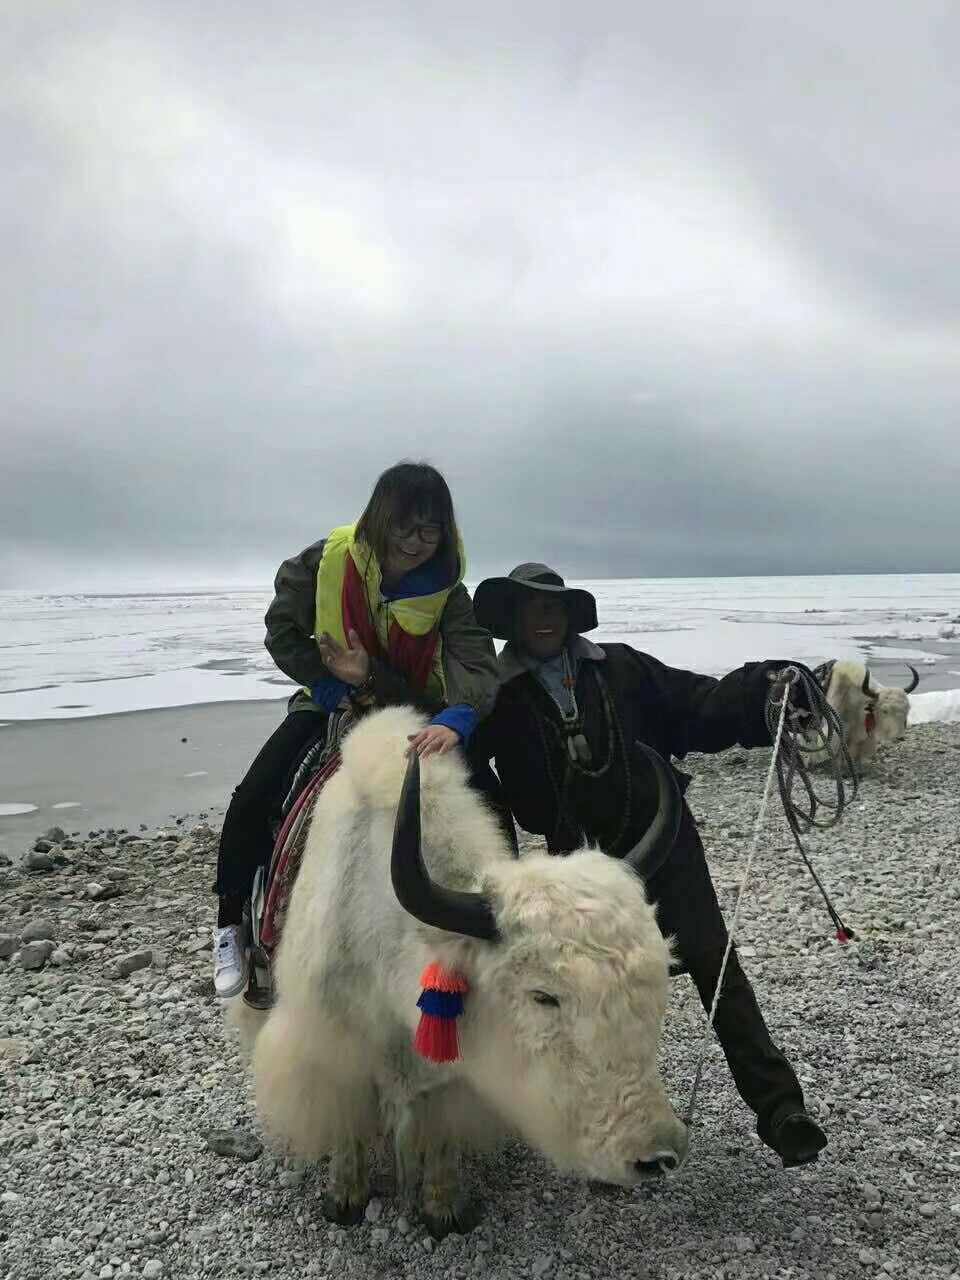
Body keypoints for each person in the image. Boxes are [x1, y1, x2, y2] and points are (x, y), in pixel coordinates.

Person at [471, 562, 828, 1170]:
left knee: (716, 965)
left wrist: (763, 693)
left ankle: (780, 1109)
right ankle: (613, 1130)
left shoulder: (623, 668)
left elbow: (696, 706)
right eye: (532, 607)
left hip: (664, 849)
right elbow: (476, 784)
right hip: (581, 887)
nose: (546, 616)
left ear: (570, 616)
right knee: (593, 1003)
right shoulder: (495, 698)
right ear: (512, 619)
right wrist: (493, 868)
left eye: (554, 605)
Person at [211, 461, 503, 997]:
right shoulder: (326, 562)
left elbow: (477, 663)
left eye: (430, 529)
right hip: (330, 703)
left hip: (419, 709)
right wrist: (324, 684)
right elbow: (283, 626)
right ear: (380, 519)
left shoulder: (449, 596)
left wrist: (458, 717)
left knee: (489, 806)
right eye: (405, 527)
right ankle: (232, 921)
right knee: (256, 793)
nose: (417, 542)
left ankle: (498, 921)